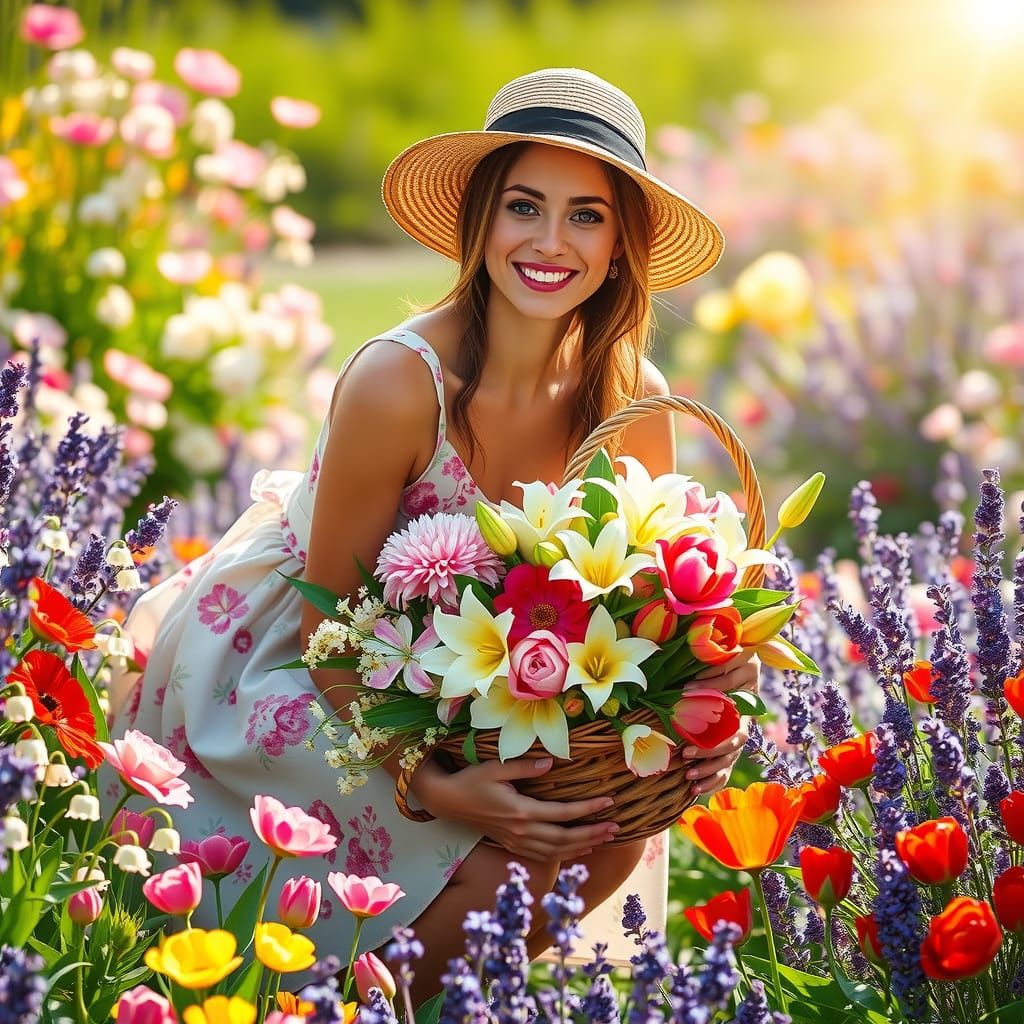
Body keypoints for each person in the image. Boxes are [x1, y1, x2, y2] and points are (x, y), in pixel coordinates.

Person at [106, 67, 757, 1001]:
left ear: (621, 247)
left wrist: (710, 692)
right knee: (499, 875)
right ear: (481, 221)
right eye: (523, 206)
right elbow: (324, 624)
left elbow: (654, 611)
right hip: (308, 669)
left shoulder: (632, 402)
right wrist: (434, 785)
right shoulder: (401, 384)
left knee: (605, 841)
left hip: (482, 686)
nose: (548, 241)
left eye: (586, 216)